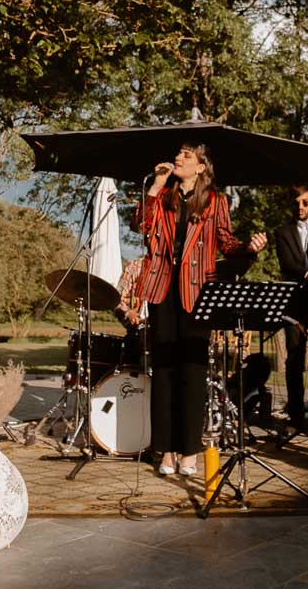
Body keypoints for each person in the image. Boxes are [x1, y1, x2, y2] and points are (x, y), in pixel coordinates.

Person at [121, 143, 266, 478]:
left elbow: (227, 243)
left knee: (192, 373)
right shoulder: (163, 197)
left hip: (196, 293)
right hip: (161, 291)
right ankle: (166, 450)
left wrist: (248, 247)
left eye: (187, 156)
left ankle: (189, 451)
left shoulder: (216, 201)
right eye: (179, 154)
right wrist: (155, 187)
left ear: (201, 167)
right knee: (165, 373)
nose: (179, 159)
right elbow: (139, 225)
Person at [274, 184, 308, 427]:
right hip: (295, 301)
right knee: (294, 358)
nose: (300, 207)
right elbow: (287, 263)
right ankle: (296, 413)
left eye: (305, 202)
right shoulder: (282, 232)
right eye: (296, 203)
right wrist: (307, 272)